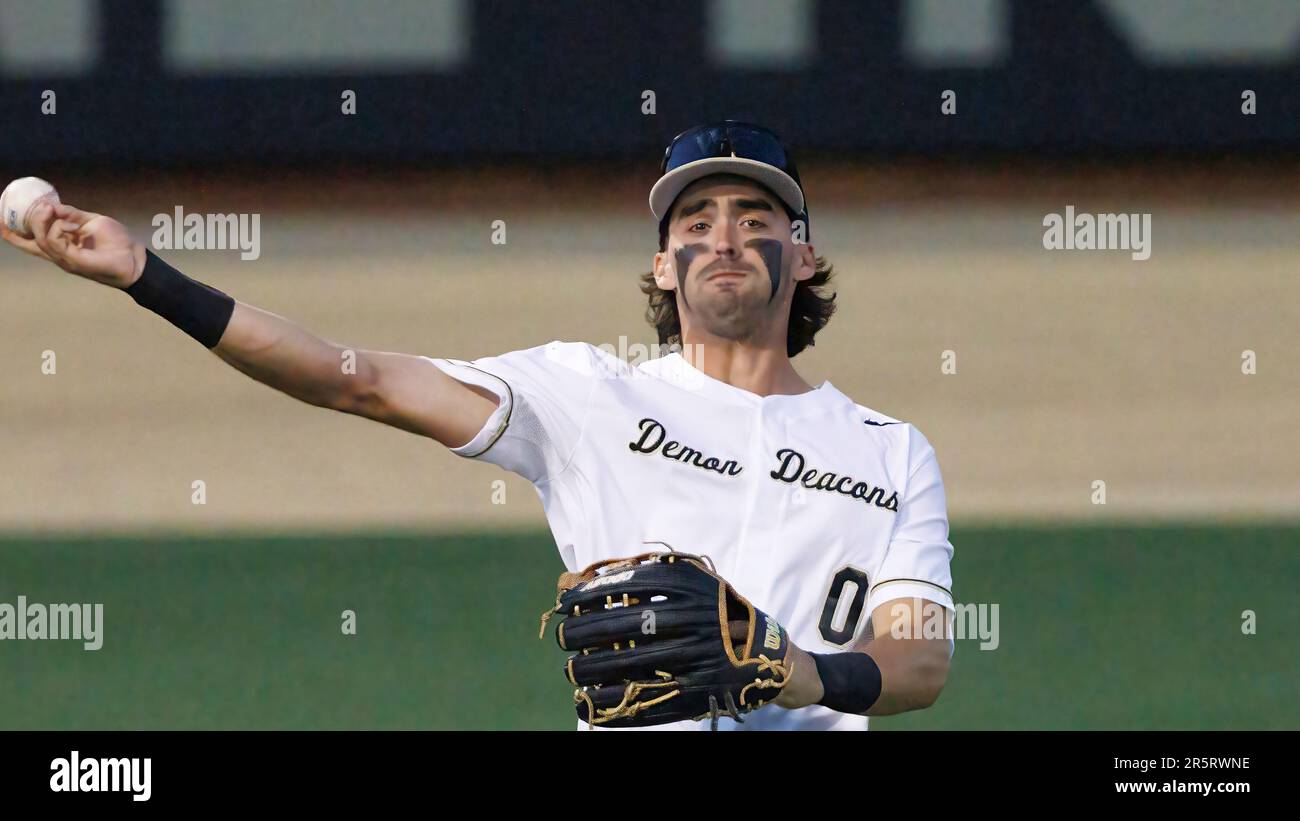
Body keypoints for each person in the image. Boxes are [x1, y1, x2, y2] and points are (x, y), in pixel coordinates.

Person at [2, 120, 954, 730]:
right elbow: (356, 379)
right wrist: (144, 276)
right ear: (663, 267)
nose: (724, 234)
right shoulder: (587, 395)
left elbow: (918, 659)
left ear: (804, 251)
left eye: (756, 214)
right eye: (694, 219)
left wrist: (794, 671)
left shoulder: (889, 449)